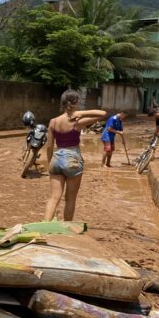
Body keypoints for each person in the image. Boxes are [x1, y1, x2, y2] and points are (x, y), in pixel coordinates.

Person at [44, 90, 106, 222]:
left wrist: (50, 163)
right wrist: (81, 113)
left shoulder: (53, 122)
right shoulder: (78, 122)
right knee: (70, 198)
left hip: (56, 158)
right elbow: (102, 114)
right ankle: (67, 226)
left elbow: (49, 146)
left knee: (54, 197)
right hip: (72, 159)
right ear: (76, 103)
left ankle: (44, 226)